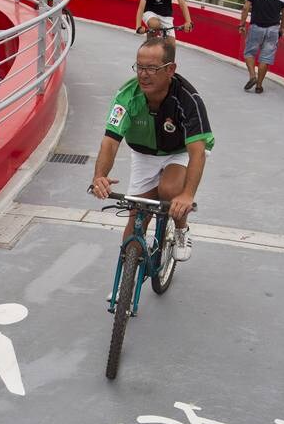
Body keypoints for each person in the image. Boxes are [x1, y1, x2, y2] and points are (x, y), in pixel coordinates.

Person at [90, 36, 211, 262]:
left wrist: (187, 195)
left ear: (170, 69)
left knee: (169, 190)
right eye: (140, 67)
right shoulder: (127, 96)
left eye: (152, 68)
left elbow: (197, 152)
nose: (144, 74)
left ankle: (181, 229)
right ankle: (125, 285)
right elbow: (110, 141)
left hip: (178, 152)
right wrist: (100, 176)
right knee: (137, 216)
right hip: (144, 154)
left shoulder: (188, 99)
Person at [238, 0, 284, 94]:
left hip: (256, 27)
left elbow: (246, 7)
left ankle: (252, 76)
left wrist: (242, 24)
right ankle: (259, 86)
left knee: (249, 53)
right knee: (265, 58)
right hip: (273, 29)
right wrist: (282, 28)